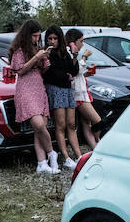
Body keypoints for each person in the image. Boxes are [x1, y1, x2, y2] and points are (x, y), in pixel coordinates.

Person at [7, 20, 56, 173]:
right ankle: (52, 153)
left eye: (38, 36)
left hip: (38, 87)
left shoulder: (38, 49)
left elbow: (43, 71)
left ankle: (41, 163)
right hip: (25, 88)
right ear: (27, 35)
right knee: (39, 124)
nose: (36, 39)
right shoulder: (19, 51)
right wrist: (36, 58)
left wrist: (45, 60)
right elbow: (20, 70)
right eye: (34, 36)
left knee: (38, 129)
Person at [41, 24, 80, 170]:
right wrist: (66, 77)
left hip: (66, 90)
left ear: (60, 39)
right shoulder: (46, 54)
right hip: (55, 89)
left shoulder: (64, 53)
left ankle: (78, 155)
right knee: (60, 124)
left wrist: (75, 56)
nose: (52, 41)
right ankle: (65, 156)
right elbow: (52, 74)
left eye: (55, 38)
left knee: (71, 124)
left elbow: (73, 71)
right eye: (49, 38)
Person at [66, 29, 102, 149]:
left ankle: (95, 147)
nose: (82, 44)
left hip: (82, 91)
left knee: (86, 123)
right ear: (74, 42)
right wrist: (85, 57)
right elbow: (74, 69)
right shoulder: (69, 52)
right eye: (81, 41)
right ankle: (99, 142)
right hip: (78, 94)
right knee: (97, 121)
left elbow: (78, 73)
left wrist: (86, 73)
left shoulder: (73, 53)